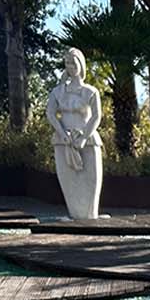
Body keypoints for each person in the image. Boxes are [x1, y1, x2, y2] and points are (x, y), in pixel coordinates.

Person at [45, 48, 104, 219]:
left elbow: (97, 116)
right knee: (69, 182)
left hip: (87, 141)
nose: (70, 66)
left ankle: (90, 216)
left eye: (73, 62)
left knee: (90, 181)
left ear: (81, 64)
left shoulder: (91, 91)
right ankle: (74, 214)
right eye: (67, 63)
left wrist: (84, 137)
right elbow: (50, 113)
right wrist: (62, 133)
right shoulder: (58, 91)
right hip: (63, 141)